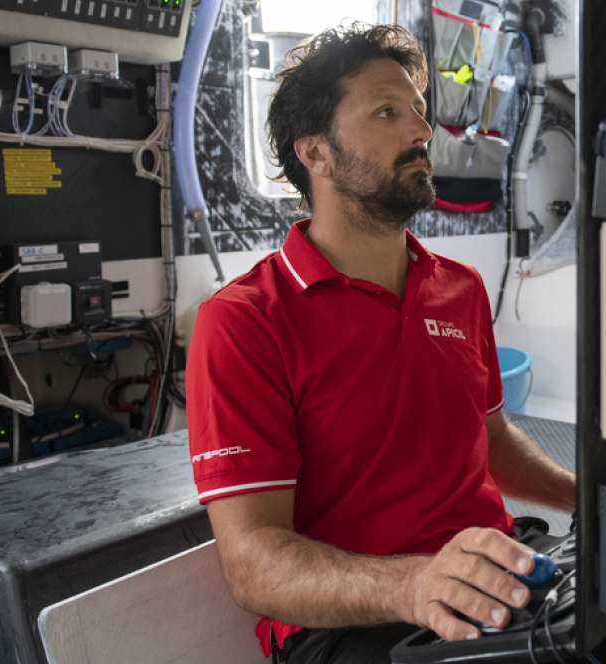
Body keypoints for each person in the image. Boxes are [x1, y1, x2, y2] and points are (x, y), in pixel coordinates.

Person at [184, 23, 576, 663]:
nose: (422, 132)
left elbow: (490, 441)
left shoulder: (461, 287)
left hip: (491, 581)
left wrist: (582, 493)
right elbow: (251, 562)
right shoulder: (244, 322)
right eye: (387, 112)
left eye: (419, 113)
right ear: (314, 154)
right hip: (357, 625)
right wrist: (416, 583)